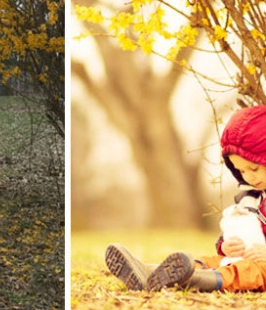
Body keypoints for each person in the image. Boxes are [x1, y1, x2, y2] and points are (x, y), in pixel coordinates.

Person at [105, 105, 266, 292]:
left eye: (253, 169)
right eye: (241, 170)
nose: (248, 177)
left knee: (249, 272)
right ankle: (150, 271)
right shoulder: (251, 197)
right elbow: (234, 230)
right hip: (247, 257)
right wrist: (227, 247)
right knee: (211, 260)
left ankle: (196, 281)